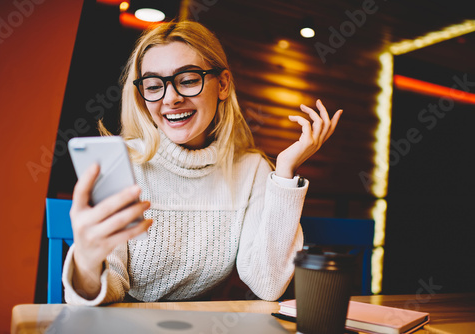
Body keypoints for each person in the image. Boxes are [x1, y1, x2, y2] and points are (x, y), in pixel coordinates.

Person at [62, 20, 342, 305]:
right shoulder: (122, 162)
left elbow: (267, 283)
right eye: (154, 85)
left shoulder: (251, 170)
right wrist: (86, 261)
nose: (170, 98)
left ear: (222, 84)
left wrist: (284, 172)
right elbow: (108, 287)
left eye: (188, 80)